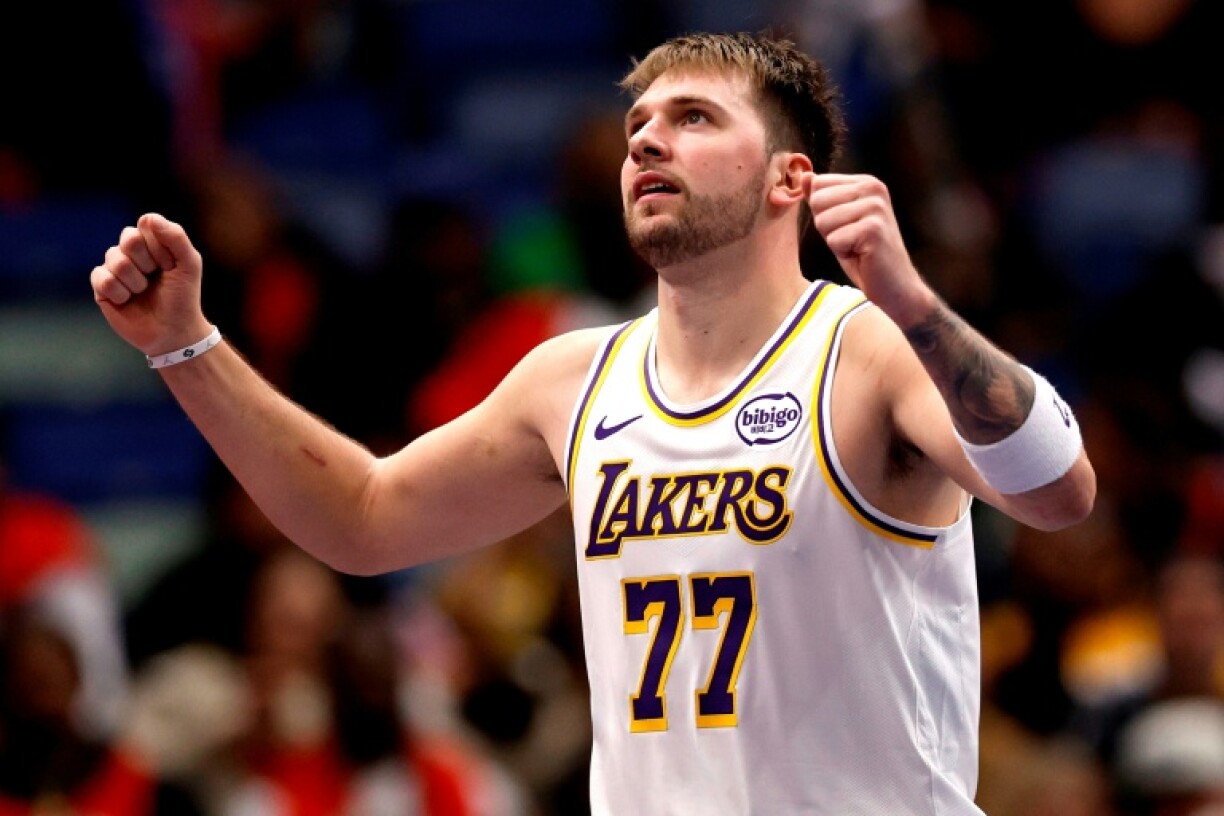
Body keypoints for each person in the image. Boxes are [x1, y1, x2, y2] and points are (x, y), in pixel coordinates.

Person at [89, 30, 1095, 815]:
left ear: (794, 179)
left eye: (695, 118)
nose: (648, 139)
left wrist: (914, 305)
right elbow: (359, 518)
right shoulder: (572, 380)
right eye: (638, 129)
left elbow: (1058, 492)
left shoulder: (866, 351)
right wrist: (186, 346)